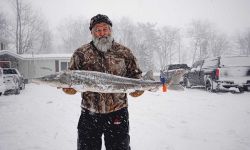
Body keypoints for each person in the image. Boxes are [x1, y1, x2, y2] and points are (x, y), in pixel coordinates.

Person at [63, 14, 144, 150]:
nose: (102, 33)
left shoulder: (124, 52)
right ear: (92, 33)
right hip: (89, 113)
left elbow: (136, 76)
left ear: (110, 30)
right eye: (98, 30)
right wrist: (68, 88)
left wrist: (138, 89)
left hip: (117, 113)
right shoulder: (81, 53)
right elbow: (69, 77)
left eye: (105, 29)